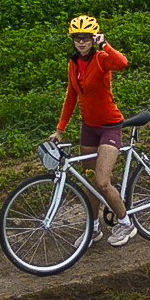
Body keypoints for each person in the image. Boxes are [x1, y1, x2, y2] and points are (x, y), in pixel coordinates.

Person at [55, 15, 136, 245]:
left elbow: (122, 63)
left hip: (110, 127)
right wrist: (60, 130)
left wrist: (105, 44)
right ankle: (93, 228)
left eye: (86, 38)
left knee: (102, 181)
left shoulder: (101, 59)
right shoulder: (73, 63)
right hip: (88, 129)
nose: (82, 42)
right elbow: (71, 95)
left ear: (93, 38)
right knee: (89, 182)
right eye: (77, 38)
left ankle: (126, 224)